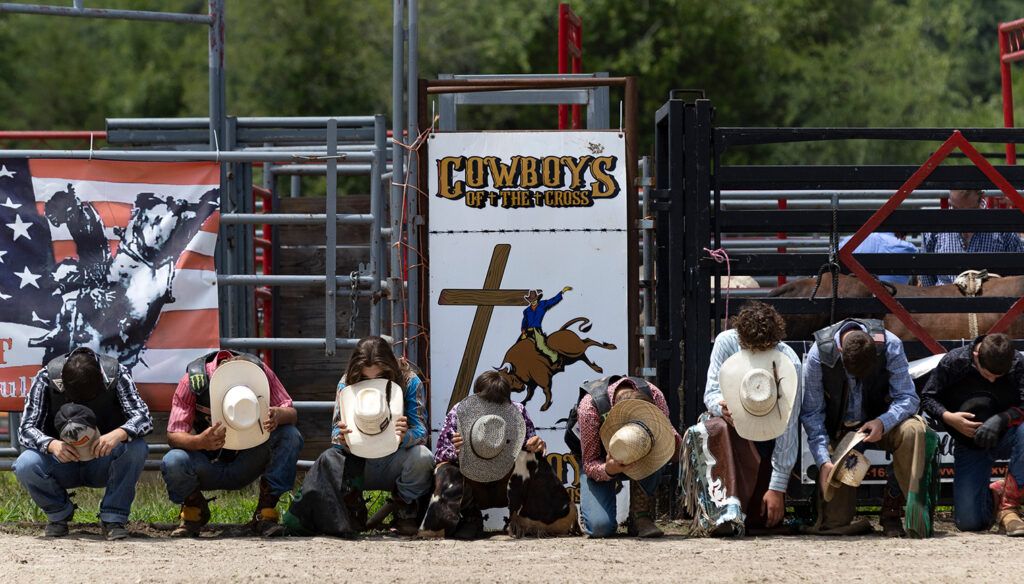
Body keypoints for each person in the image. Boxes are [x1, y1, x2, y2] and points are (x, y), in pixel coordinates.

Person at [801, 318, 933, 537]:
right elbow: (812, 414)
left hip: (883, 424)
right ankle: (844, 519)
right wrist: (824, 461)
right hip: (841, 433)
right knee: (835, 524)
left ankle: (905, 512)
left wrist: (883, 422)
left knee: (913, 431)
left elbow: (908, 398)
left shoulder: (890, 344)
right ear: (840, 350)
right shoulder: (818, 354)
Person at [681, 301, 802, 536]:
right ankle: (720, 508)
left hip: (768, 439)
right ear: (741, 339)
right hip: (732, 431)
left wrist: (776, 487)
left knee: (763, 518)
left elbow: (788, 426)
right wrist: (721, 408)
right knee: (715, 427)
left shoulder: (790, 363)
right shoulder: (726, 342)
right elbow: (711, 392)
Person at [13, 347, 152, 540]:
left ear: (100, 383)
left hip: (103, 459)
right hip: (62, 461)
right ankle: (59, 514)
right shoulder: (47, 376)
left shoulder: (116, 373)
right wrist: (51, 444)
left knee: (136, 448)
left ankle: (113, 517)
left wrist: (118, 434)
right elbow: (26, 428)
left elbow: (143, 417)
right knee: (25, 463)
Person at [161, 350, 303, 537]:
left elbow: (291, 413)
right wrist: (199, 441)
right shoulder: (192, 382)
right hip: (207, 463)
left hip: (248, 460)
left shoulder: (260, 373)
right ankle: (194, 511)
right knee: (174, 460)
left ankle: (265, 513)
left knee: (290, 435)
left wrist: (278, 414)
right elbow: (173, 435)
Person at [920, 333, 1024, 535]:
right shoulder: (954, 361)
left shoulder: (1018, 362)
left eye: (999, 376)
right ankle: (997, 494)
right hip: (970, 444)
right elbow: (927, 397)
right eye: (988, 374)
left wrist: (1003, 418)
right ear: (976, 355)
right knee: (969, 523)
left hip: (1008, 435)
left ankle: (1009, 507)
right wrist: (949, 417)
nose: (993, 379)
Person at [331, 336, 434, 535]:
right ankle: (353, 511)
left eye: (380, 376)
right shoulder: (346, 384)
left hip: (394, 459)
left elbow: (421, 432)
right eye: (366, 378)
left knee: (422, 457)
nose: (373, 383)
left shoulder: (410, 381)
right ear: (356, 372)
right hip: (359, 461)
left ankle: (405, 512)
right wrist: (343, 439)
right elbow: (335, 432)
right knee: (334, 459)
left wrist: (403, 436)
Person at [430, 370, 547, 539]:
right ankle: (470, 518)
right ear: (476, 397)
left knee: (532, 460)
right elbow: (440, 457)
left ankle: (520, 516)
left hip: (505, 484)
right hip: (472, 485)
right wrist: (455, 452)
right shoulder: (459, 412)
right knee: (445, 470)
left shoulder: (518, 412)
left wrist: (535, 446)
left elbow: (531, 445)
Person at [578, 376, 680, 538]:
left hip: (644, 455)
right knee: (600, 528)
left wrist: (675, 444)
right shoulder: (590, 406)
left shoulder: (654, 395)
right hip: (600, 459)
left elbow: (667, 433)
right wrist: (608, 469)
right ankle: (588, 515)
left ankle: (640, 516)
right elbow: (590, 462)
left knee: (661, 447)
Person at [920, 189, 1024, 286]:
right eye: (955, 208)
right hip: (944, 303)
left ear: (981, 198)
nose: (961, 219)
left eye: (969, 211)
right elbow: (927, 282)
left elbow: (1017, 279)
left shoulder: (1003, 232)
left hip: (989, 303)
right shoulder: (933, 231)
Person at [838, 232, 918, 285]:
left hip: (851, 304)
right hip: (893, 302)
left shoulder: (845, 243)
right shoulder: (908, 247)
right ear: (902, 236)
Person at [521, 286, 572, 363]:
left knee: (541, 346)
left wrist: (562, 292)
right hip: (527, 331)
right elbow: (524, 321)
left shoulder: (542, 304)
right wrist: (523, 331)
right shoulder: (526, 311)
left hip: (537, 330)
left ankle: (555, 357)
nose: (533, 301)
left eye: (534, 300)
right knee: (520, 345)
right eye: (531, 300)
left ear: (537, 299)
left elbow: (553, 300)